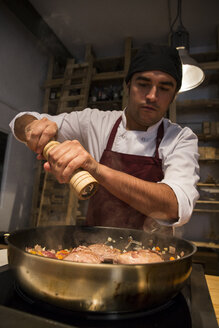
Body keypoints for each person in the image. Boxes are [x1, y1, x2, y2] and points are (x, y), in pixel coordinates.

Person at [10, 43, 199, 234]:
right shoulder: (94, 121)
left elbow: (175, 206)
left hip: (152, 256)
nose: (152, 96)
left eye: (164, 88)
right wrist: (33, 127)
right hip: (94, 247)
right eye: (143, 84)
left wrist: (96, 169)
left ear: (174, 96)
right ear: (128, 86)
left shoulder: (181, 139)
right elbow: (19, 120)